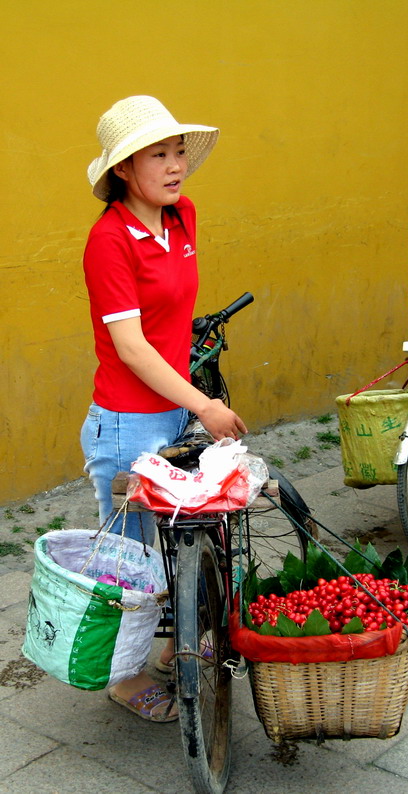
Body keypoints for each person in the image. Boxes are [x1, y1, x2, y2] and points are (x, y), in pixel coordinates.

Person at [81, 95, 247, 721]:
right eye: (159, 154)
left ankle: (173, 645)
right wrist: (204, 403)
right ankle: (123, 679)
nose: (176, 165)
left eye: (179, 152)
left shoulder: (182, 219)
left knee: (178, 540)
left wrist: (192, 396)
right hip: (126, 427)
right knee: (132, 562)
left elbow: (172, 317)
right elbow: (130, 346)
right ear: (124, 167)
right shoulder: (108, 241)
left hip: (173, 412)